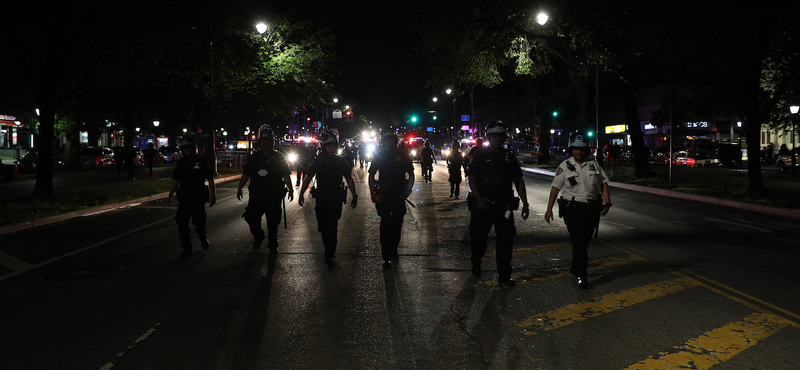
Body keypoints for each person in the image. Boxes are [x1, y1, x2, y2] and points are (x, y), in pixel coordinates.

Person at [544, 134, 612, 289]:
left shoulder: (593, 165)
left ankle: (576, 266)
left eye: (581, 149)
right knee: (579, 241)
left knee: (584, 242)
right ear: (571, 150)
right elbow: (555, 188)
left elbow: (603, 184)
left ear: (586, 150)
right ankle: (582, 275)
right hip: (572, 211)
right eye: (575, 149)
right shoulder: (565, 166)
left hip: (591, 211)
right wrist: (549, 210)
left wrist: (607, 203)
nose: (578, 152)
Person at [467, 121, 530, 286]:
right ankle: (476, 262)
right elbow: (472, 178)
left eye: (500, 136)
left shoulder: (509, 157)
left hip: (504, 206)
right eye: (494, 135)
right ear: (488, 137)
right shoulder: (479, 155)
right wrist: (478, 198)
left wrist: (525, 203)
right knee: (478, 238)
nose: (497, 139)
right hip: (484, 205)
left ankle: (504, 274)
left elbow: (518, 181)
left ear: (504, 138)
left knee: (505, 241)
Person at [298, 131, 358, 266]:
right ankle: (328, 249)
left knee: (332, 226)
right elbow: (308, 177)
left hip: (335, 199)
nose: (331, 148)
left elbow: (349, 178)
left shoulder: (340, 161)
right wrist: (301, 193)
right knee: (323, 227)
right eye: (328, 146)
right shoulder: (318, 161)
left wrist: (354, 195)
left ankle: (330, 253)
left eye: (333, 146)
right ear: (324, 147)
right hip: (321, 199)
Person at [237, 125, 294, 252]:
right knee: (251, 217)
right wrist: (239, 188)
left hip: (273, 195)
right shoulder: (254, 157)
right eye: (262, 140)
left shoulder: (279, 157)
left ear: (271, 142)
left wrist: (290, 189)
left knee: (273, 222)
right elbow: (246, 174)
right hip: (256, 194)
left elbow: (285, 174)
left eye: (267, 140)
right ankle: (259, 236)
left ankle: (273, 245)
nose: (264, 142)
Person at [368, 131, 415, 269]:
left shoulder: (402, 155)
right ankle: (386, 255)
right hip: (384, 194)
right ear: (383, 142)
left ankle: (394, 248)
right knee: (385, 224)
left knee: (397, 224)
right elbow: (371, 175)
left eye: (391, 140)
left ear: (395, 141)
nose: (389, 142)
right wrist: (372, 193)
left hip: (398, 195)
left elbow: (411, 173)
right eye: (387, 140)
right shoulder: (379, 155)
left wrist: (408, 191)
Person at [168, 138, 216, 257]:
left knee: (199, 222)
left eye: (189, 148)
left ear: (193, 149)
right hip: (184, 198)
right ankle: (186, 249)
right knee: (181, 223)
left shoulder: (201, 162)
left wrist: (213, 195)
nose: (187, 150)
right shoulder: (181, 163)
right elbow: (175, 180)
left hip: (198, 197)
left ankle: (202, 238)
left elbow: (210, 179)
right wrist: (170, 195)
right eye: (184, 148)